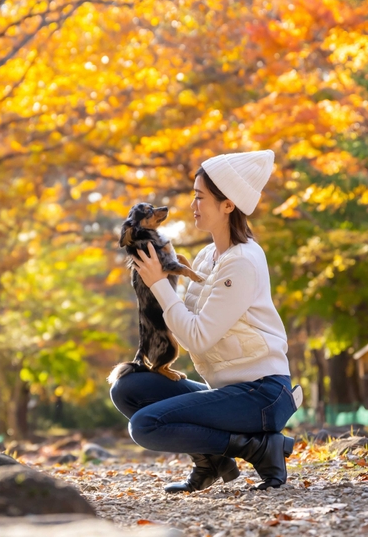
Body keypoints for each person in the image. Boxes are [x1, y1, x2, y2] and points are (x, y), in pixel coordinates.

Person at [110, 150, 301, 492]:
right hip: (227, 392)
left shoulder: (242, 262)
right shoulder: (206, 257)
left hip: (262, 394)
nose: (193, 206)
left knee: (145, 425)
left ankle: (259, 447)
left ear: (228, 205)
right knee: (129, 388)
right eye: (193, 196)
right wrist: (154, 288)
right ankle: (211, 461)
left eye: (200, 197)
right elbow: (181, 324)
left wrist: (159, 283)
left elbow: (198, 338)